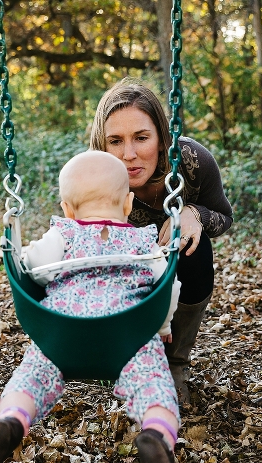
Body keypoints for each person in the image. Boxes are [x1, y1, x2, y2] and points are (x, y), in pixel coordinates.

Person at [0, 151, 182, 463]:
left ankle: (11, 421)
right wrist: (160, 326)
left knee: (33, 376)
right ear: (128, 204)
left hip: (62, 333)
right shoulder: (145, 243)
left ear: (68, 209)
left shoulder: (63, 234)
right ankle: (157, 436)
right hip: (127, 335)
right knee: (154, 383)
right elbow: (169, 289)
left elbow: (31, 266)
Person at [89, 77, 233, 405]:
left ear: (161, 138)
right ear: (102, 143)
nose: (129, 154)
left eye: (141, 137)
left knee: (195, 250)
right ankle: (129, 357)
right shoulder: (93, 174)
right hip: (125, 273)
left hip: (179, 265)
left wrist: (194, 214)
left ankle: (176, 364)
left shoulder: (192, 163)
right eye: (115, 140)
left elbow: (224, 218)